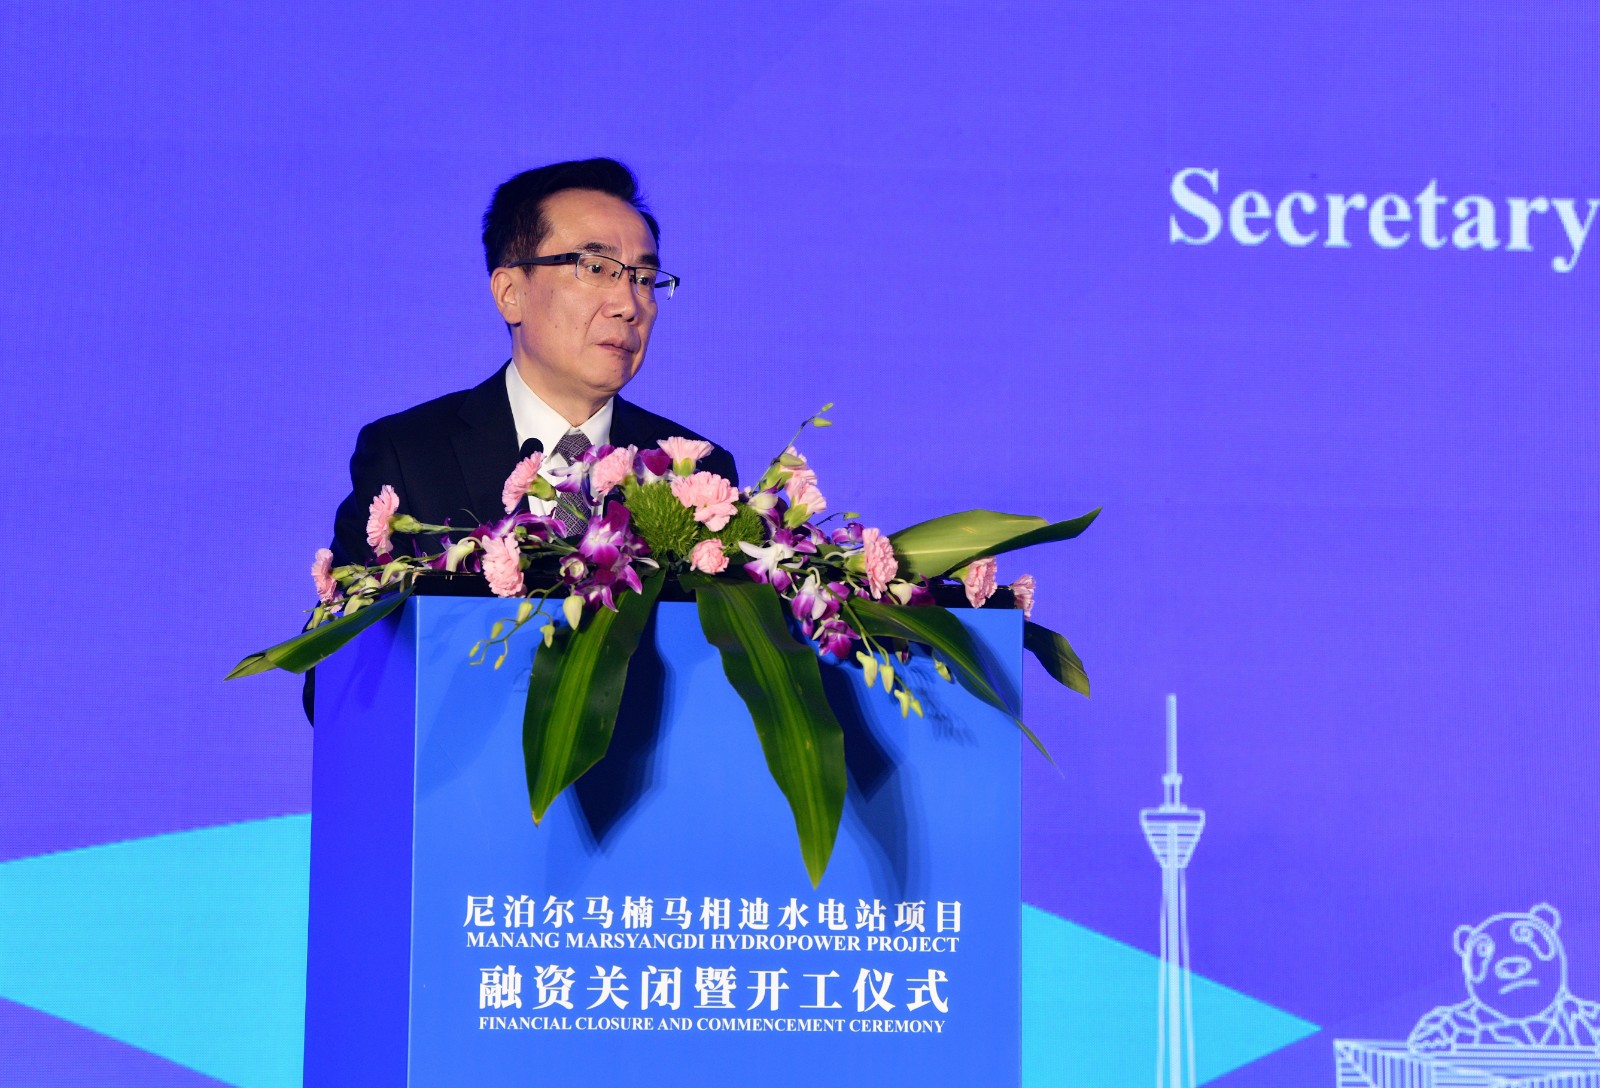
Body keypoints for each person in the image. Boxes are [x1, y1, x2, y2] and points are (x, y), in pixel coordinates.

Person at [327, 157, 737, 568]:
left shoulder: (695, 473)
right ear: (510, 294)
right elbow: (358, 608)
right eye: (596, 268)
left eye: (643, 279)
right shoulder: (408, 456)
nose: (628, 305)